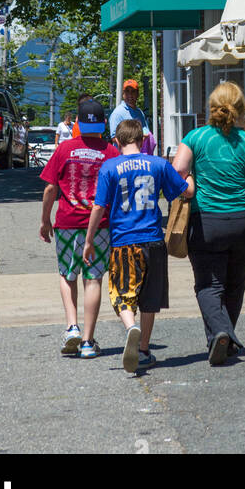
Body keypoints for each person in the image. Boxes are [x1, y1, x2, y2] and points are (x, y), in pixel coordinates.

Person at [172, 82, 245, 366]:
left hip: (207, 222)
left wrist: (191, 181)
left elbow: (178, 172)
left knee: (208, 286)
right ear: (241, 109)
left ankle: (220, 332)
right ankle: (223, 341)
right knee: (235, 285)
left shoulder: (195, 137)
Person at [85, 118, 193, 373]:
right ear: (143, 140)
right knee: (149, 298)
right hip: (154, 239)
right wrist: (191, 177)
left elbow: (99, 206)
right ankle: (143, 349)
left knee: (121, 292)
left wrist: (89, 240)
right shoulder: (158, 164)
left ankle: (130, 326)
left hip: (125, 241)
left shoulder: (109, 167)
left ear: (117, 141)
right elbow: (183, 191)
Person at [39, 97, 119, 359]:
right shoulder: (110, 152)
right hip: (99, 225)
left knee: (67, 274)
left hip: (66, 221)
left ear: (77, 123)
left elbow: (50, 188)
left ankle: (72, 326)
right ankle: (87, 341)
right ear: (104, 123)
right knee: (93, 278)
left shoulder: (64, 149)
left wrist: (45, 220)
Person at [109, 80, 156, 156]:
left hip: (140, 157)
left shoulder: (139, 112)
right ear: (123, 94)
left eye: (133, 92)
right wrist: (135, 139)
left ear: (137, 94)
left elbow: (145, 131)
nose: (130, 95)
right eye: (127, 92)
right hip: (124, 158)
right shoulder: (117, 113)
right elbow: (114, 138)